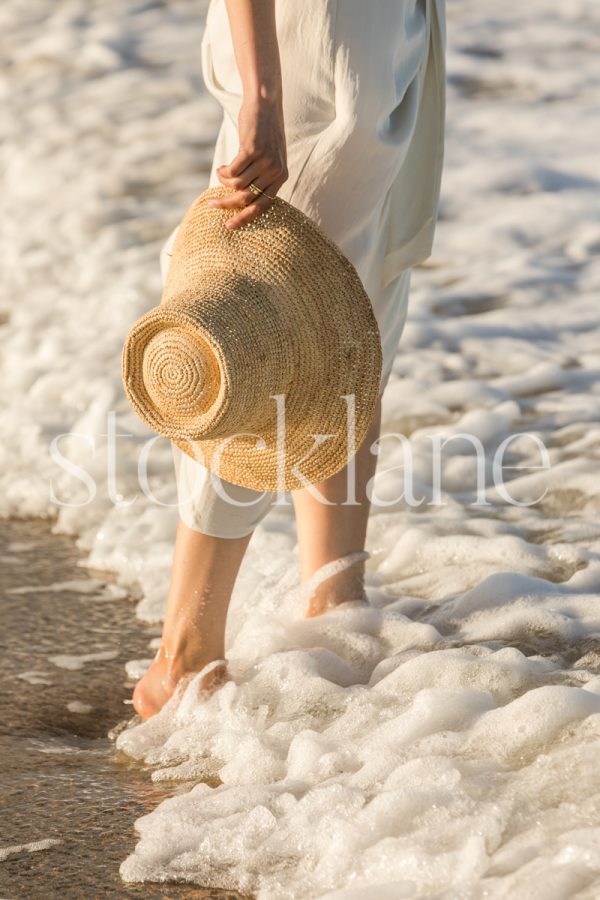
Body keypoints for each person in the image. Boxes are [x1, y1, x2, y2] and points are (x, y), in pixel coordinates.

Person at [132, 0, 446, 718]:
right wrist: (262, 96)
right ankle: (184, 655)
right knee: (258, 325)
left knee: (348, 316)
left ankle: (333, 604)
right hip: (313, 48)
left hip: (391, 34)